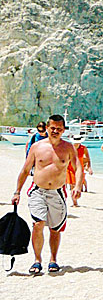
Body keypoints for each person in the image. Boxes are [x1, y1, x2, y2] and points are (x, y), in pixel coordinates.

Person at [12, 115, 83, 274]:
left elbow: (78, 167)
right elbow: (25, 170)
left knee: (54, 229)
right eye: (53, 128)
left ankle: (53, 259)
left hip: (57, 192)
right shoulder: (37, 147)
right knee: (38, 224)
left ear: (63, 130)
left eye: (59, 129)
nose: (55, 131)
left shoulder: (68, 147)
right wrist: (17, 191)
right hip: (38, 191)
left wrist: (77, 186)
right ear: (47, 128)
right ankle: (37, 261)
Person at [66, 136, 90, 207]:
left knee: (76, 184)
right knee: (71, 185)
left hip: (79, 169)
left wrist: (89, 167)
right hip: (69, 168)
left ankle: (75, 201)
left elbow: (88, 158)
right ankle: (74, 202)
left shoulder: (83, 148)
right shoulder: (70, 148)